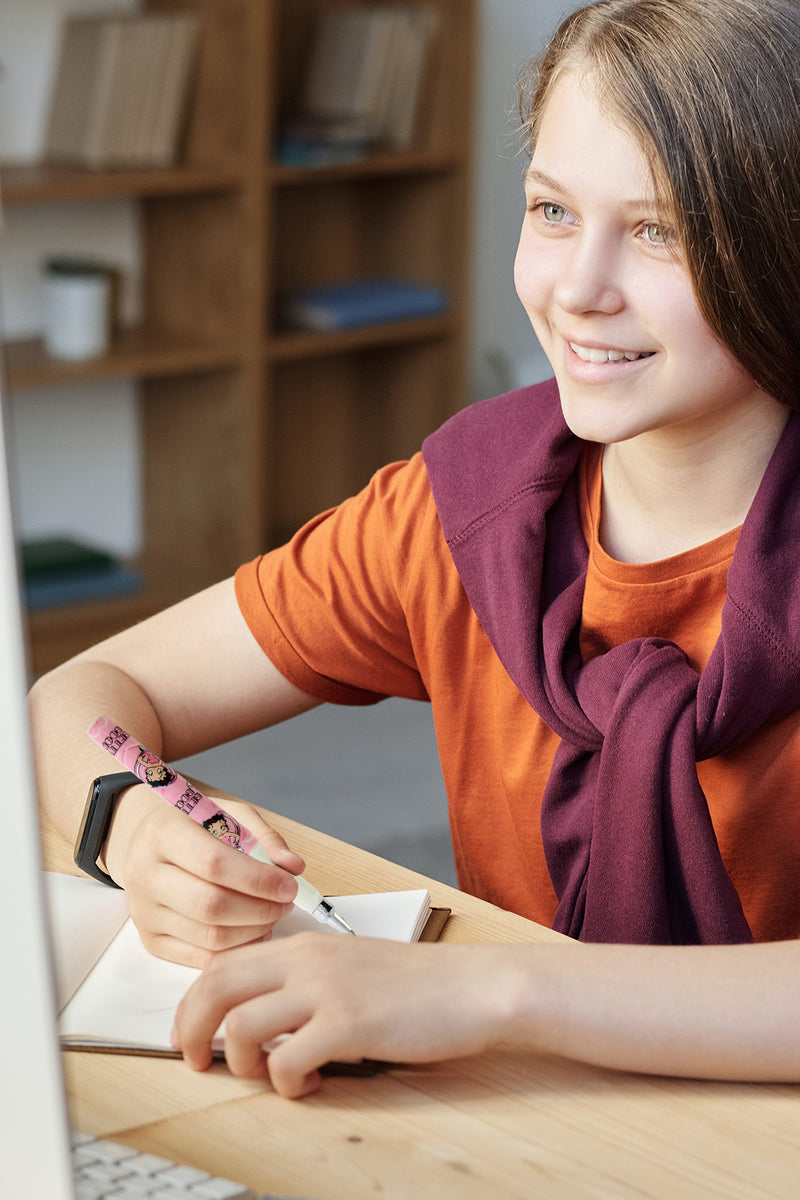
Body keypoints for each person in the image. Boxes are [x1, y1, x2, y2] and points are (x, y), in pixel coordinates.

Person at [30, 0, 800, 1099]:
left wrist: (492, 990)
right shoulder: (469, 511)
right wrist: (135, 821)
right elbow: (81, 694)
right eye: (551, 209)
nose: (576, 290)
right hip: (522, 1118)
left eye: (657, 230)